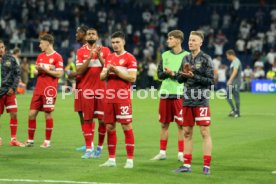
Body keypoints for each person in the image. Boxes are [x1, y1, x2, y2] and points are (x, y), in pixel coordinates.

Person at [175, 31, 214, 175]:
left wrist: (194, 76)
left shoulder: (206, 59)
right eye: (190, 40)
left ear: (200, 43)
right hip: (187, 100)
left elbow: (211, 81)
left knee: (204, 132)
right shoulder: (185, 58)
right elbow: (179, 79)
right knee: (186, 132)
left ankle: (206, 166)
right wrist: (182, 75)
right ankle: (186, 164)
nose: (190, 42)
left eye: (194, 40)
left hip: (201, 100)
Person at [99, 31, 137, 169]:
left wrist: (116, 70)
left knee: (126, 126)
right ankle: (111, 159)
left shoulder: (130, 58)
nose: (115, 45)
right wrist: (107, 71)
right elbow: (102, 77)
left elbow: (132, 78)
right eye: (113, 42)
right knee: (109, 127)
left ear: (123, 42)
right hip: (109, 97)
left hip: (123, 98)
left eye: (117, 42)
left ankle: (130, 160)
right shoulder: (109, 57)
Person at [151, 30, 189, 162]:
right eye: (168, 38)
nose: (168, 40)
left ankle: (181, 153)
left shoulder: (187, 56)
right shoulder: (165, 54)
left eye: (171, 38)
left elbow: (185, 76)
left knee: (181, 125)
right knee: (164, 124)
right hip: (165, 93)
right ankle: (162, 152)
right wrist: (167, 74)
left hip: (179, 93)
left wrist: (173, 74)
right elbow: (159, 75)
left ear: (178, 40)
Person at [76, 28, 110, 159]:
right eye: (89, 34)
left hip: (102, 90)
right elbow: (79, 71)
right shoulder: (80, 51)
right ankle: (89, 148)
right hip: (86, 90)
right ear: (86, 37)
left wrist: (100, 56)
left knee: (102, 121)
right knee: (87, 119)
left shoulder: (105, 50)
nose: (91, 35)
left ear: (97, 36)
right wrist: (89, 57)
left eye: (93, 34)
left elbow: (108, 69)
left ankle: (99, 148)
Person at [24, 34, 63, 148]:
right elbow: (36, 72)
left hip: (49, 90)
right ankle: (30, 140)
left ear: (48, 43)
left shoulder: (57, 57)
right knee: (31, 114)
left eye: (41, 43)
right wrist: (38, 70)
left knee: (47, 114)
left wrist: (45, 70)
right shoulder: (40, 56)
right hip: (38, 89)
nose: (39, 45)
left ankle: (47, 141)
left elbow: (59, 73)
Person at [0, 40, 24, 147]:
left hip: (9, 92)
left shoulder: (11, 59)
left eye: (2, 47)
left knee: (14, 113)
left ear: (4, 48)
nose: (1, 49)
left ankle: (13, 139)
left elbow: (17, 74)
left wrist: (13, 88)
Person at [226, 49, 242, 118]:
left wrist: (230, 80)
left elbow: (235, 72)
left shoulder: (236, 61)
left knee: (236, 97)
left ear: (231, 55)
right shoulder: (233, 62)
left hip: (235, 82)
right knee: (228, 96)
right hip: (232, 82)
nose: (227, 57)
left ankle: (237, 112)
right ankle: (234, 110)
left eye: (227, 56)